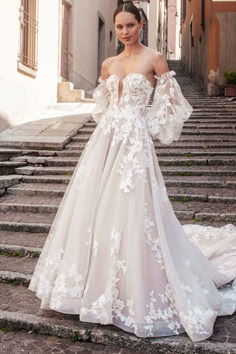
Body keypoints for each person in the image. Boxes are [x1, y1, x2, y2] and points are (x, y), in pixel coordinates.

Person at [29, 1, 236, 343]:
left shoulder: (154, 59)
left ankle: (132, 288)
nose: (124, 31)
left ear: (141, 23)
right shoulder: (108, 64)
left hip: (135, 144)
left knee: (133, 208)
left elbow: (172, 107)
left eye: (130, 25)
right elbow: (103, 107)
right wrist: (117, 124)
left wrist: (144, 125)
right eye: (119, 26)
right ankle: (89, 287)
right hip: (104, 143)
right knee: (94, 208)